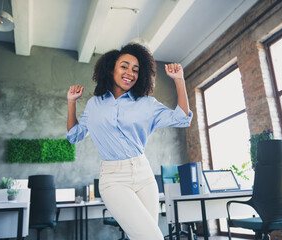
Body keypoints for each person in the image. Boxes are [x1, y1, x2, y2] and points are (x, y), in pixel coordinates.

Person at [66, 43, 192, 240]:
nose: (130, 73)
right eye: (124, 66)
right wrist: (71, 102)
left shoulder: (147, 103)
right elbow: (75, 135)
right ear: (111, 69)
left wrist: (179, 80)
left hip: (143, 174)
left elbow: (183, 118)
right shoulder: (94, 104)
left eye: (135, 69)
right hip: (113, 178)